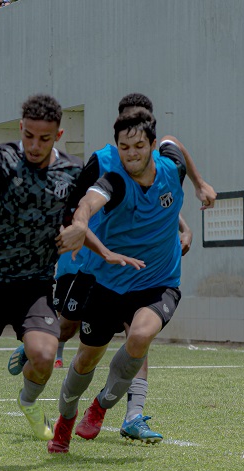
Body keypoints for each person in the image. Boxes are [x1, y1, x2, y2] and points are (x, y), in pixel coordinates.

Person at [43, 92, 214, 447]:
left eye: (139, 146)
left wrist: (200, 185)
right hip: (107, 282)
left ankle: (105, 407)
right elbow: (90, 200)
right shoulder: (114, 177)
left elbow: (176, 144)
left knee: (140, 337)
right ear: (116, 145)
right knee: (85, 357)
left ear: (152, 143)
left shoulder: (171, 165)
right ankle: (66, 417)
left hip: (159, 281)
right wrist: (78, 223)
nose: (131, 154)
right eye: (124, 147)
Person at [0, 94, 84, 440]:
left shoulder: (70, 173)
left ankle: (28, 400)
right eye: (29, 136)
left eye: (45, 138)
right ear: (21, 128)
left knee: (43, 353)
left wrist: (78, 231)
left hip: (33, 286)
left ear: (59, 135)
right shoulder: (2, 158)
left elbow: (76, 218)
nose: (35, 145)